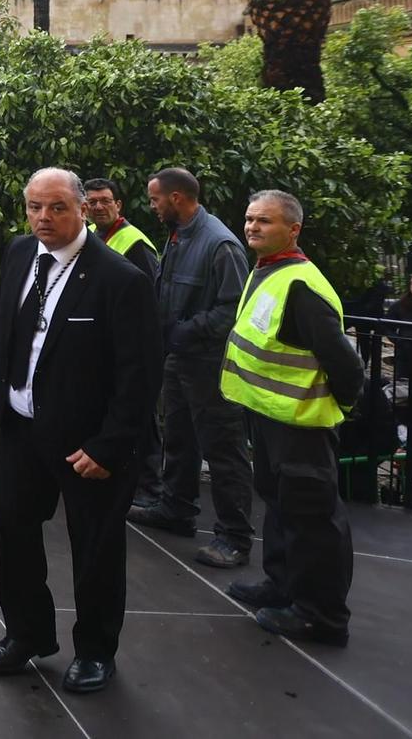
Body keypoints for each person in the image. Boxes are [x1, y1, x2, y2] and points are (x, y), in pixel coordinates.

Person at [0, 168, 159, 695]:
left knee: (95, 548)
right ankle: (26, 634)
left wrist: (109, 445)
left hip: (87, 443)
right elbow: (5, 326)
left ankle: (97, 650)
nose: (43, 218)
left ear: (83, 209)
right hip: (21, 427)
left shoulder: (120, 279)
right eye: (34, 206)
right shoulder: (18, 255)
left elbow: (139, 375)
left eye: (56, 207)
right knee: (13, 532)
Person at [221, 189, 364, 646]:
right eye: (249, 219)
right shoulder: (268, 270)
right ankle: (282, 585)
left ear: (293, 229)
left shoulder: (301, 284)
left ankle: (320, 615)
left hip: (303, 423)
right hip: (271, 416)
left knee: (312, 518)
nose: (252, 227)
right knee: (280, 505)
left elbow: (346, 365)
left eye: (264, 221)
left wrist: (339, 406)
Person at [129, 166, 255, 571]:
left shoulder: (220, 244)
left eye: (155, 199)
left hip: (209, 364)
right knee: (179, 436)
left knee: (222, 448)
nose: (152, 206)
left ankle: (234, 536)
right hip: (179, 358)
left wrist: (184, 331)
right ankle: (176, 508)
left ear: (177, 198)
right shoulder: (178, 236)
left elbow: (232, 309)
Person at [82, 178, 160, 284]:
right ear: (85, 208)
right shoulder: (88, 233)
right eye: (92, 202)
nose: (99, 207)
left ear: (118, 206)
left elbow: (151, 289)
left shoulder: (136, 242)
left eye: (105, 201)